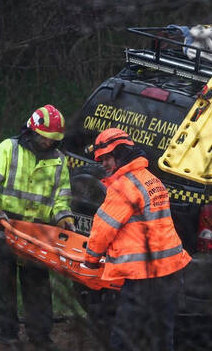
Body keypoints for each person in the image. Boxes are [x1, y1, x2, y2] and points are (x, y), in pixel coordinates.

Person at [82, 128, 191, 351]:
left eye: (107, 158)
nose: (104, 164)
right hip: (170, 271)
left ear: (121, 154)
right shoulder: (152, 180)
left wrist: (90, 260)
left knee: (124, 339)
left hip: (144, 277)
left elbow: (103, 228)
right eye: (101, 159)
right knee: (161, 338)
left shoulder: (124, 187)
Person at [0, 104, 74, 350]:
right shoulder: (8, 149)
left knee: (38, 286)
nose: (47, 143)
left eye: (52, 140)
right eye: (44, 137)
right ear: (32, 130)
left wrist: (64, 217)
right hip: (2, 229)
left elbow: (60, 198)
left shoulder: (59, 161)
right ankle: (8, 336)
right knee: (3, 286)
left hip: (36, 236)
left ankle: (40, 337)